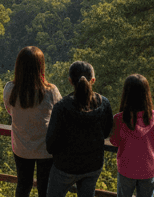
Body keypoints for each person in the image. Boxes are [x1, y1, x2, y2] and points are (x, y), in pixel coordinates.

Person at [45, 61, 113, 197]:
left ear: (70, 81)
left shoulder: (61, 107)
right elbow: (106, 133)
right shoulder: (103, 104)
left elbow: (50, 145)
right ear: (92, 80)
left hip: (65, 166)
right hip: (93, 165)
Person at [4, 47, 60, 197]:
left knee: (23, 185)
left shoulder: (10, 89)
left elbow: (9, 110)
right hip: (46, 149)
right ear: (41, 66)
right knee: (44, 188)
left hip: (21, 147)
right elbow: (58, 115)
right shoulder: (51, 91)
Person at [111, 75, 154, 197]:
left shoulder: (119, 119)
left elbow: (114, 141)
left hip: (126, 168)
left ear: (126, 94)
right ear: (147, 93)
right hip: (149, 169)